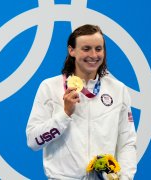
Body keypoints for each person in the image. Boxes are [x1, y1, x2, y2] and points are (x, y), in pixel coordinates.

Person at [26, 24, 137, 180]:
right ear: (71, 50)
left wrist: (125, 178)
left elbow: (127, 143)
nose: (93, 55)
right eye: (86, 49)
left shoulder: (118, 90)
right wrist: (64, 115)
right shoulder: (49, 87)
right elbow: (33, 141)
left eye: (98, 49)